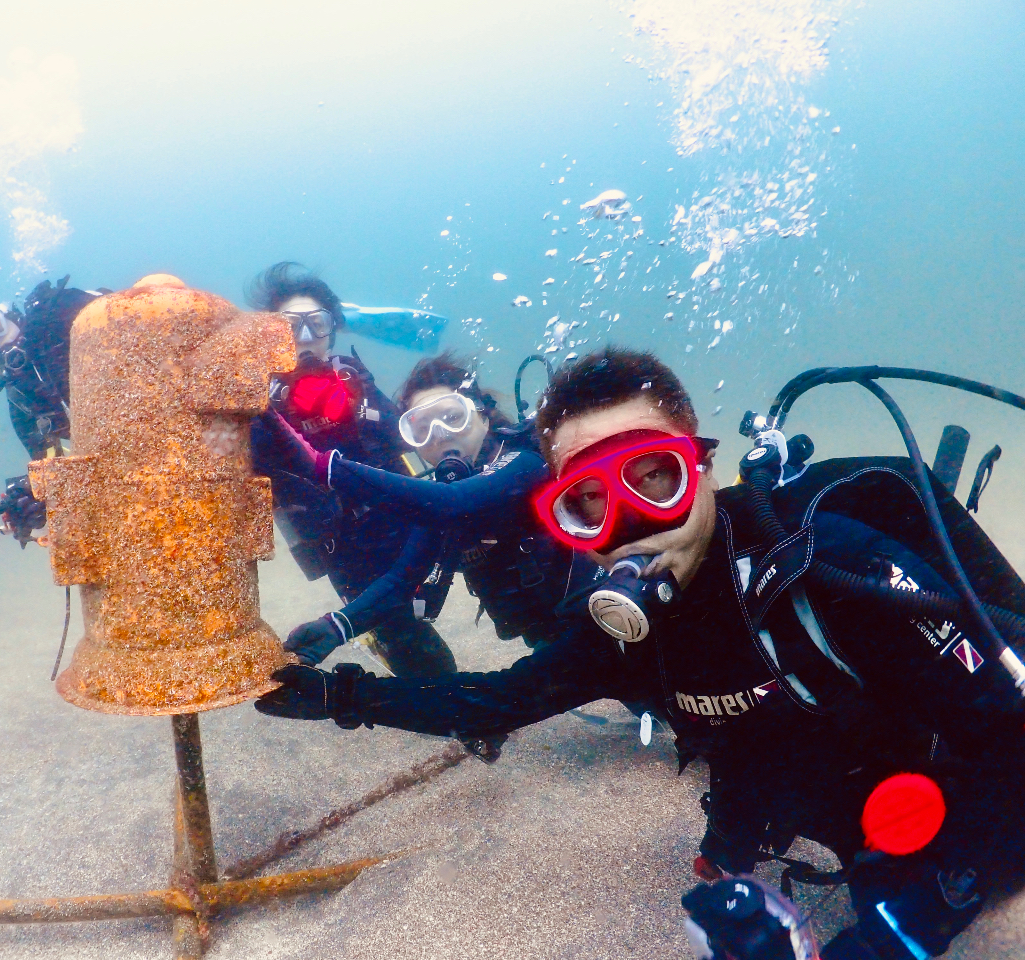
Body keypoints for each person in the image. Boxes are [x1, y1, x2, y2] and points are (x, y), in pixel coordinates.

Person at [257, 345, 1025, 959]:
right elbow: (497, 701)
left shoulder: (826, 566)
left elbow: (1013, 739)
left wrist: (903, 927)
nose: (629, 524)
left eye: (655, 479)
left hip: (943, 793)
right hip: (819, 790)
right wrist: (341, 697)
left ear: (704, 468)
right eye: (587, 503)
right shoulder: (624, 633)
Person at [266, 350, 583, 675]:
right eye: (421, 428)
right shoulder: (441, 503)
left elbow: (454, 501)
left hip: (602, 617)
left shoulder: (524, 461)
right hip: (561, 640)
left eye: (452, 417)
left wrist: (322, 466)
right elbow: (401, 580)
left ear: (484, 417)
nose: (440, 434)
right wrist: (337, 626)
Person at [248, 262, 457, 678]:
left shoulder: (355, 378)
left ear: (332, 329)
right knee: (408, 641)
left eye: (317, 323)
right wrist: (265, 416)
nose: (305, 337)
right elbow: (249, 474)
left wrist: (361, 408)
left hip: (400, 518)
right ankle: (398, 653)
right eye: (290, 326)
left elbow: (406, 437)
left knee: (423, 606)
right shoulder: (259, 402)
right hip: (339, 544)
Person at [0, 275, 106, 546]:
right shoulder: (23, 407)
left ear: (9, 315)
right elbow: (60, 467)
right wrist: (35, 500)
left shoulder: (59, 312)